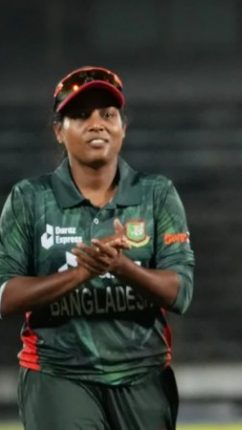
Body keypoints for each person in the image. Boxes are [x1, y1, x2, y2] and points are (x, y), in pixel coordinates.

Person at [0, 66, 195, 430]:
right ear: (59, 131)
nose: (96, 124)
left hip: (143, 374)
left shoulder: (157, 194)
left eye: (108, 115)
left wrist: (122, 267)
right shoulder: (30, 198)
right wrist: (82, 273)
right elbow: (6, 296)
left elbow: (180, 293)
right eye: (80, 115)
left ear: (123, 127)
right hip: (58, 372)